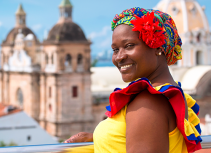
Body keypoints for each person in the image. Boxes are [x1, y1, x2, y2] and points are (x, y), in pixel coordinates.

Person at [64, 7, 202, 153]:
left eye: (129, 46)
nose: (119, 57)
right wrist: (101, 137)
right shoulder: (168, 95)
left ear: (157, 47)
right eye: (115, 49)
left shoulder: (148, 104)